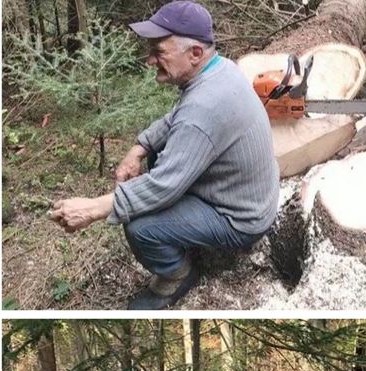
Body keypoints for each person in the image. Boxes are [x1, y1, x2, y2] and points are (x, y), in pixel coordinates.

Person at [48, 1, 279, 309]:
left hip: (240, 217)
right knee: (157, 154)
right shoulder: (220, 70)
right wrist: (139, 148)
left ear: (195, 53)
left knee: (141, 226)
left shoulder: (205, 106)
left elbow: (163, 185)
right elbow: (176, 118)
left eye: (159, 52)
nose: (149, 60)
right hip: (243, 193)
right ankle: (184, 238)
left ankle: (177, 275)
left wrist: (91, 208)